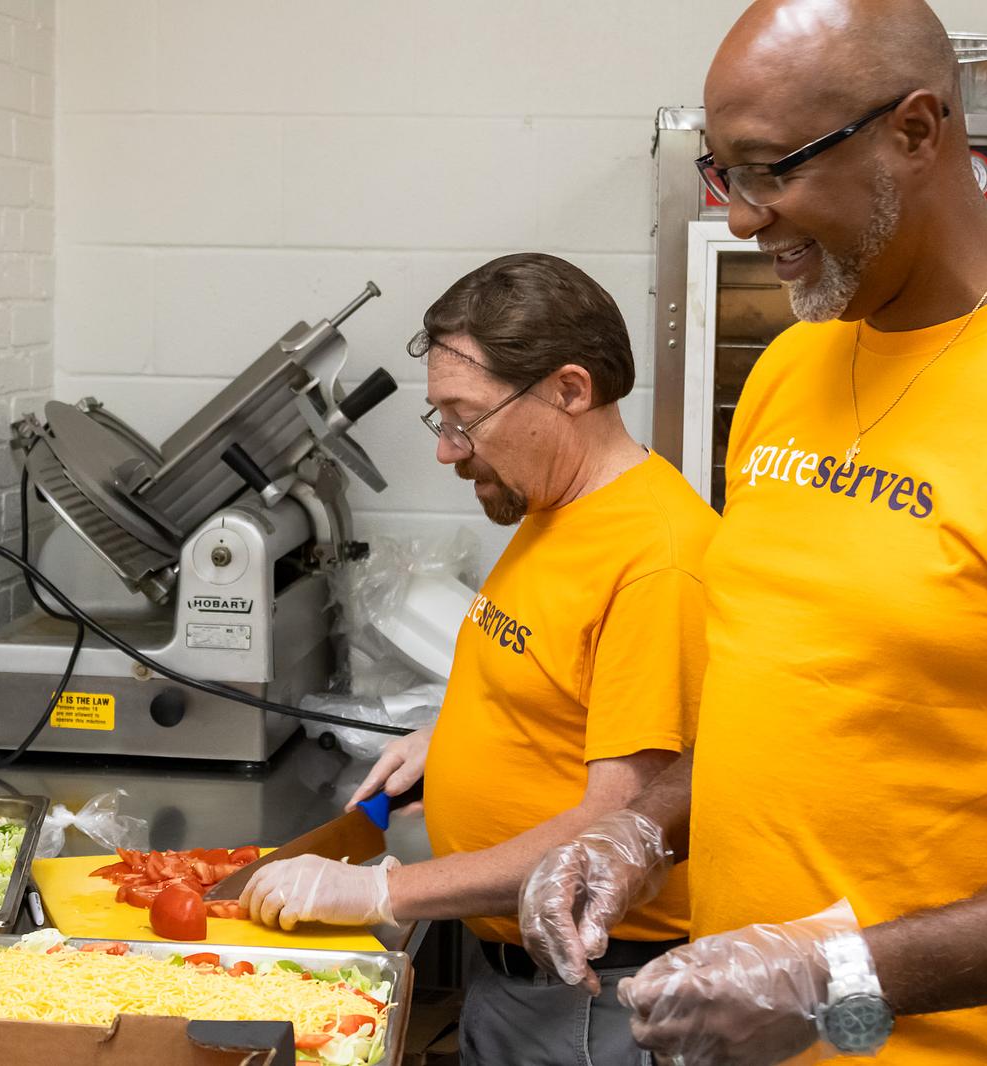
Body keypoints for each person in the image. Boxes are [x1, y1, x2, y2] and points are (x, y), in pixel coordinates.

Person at [517, 2, 987, 1063]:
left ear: (918, 131)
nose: (744, 218)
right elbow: (792, 692)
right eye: (723, 174)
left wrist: (834, 975)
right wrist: (645, 824)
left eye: (770, 170)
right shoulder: (792, 368)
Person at [241, 252, 720, 1064]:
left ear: (569, 390)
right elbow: (555, 684)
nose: (447, 450)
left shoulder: (658, 559)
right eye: (443, 420)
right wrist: (450, 741)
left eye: (465, 419)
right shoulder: (555, 505)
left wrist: (379, 889)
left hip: (593, 1001)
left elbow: (617, 824)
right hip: (517, 977)